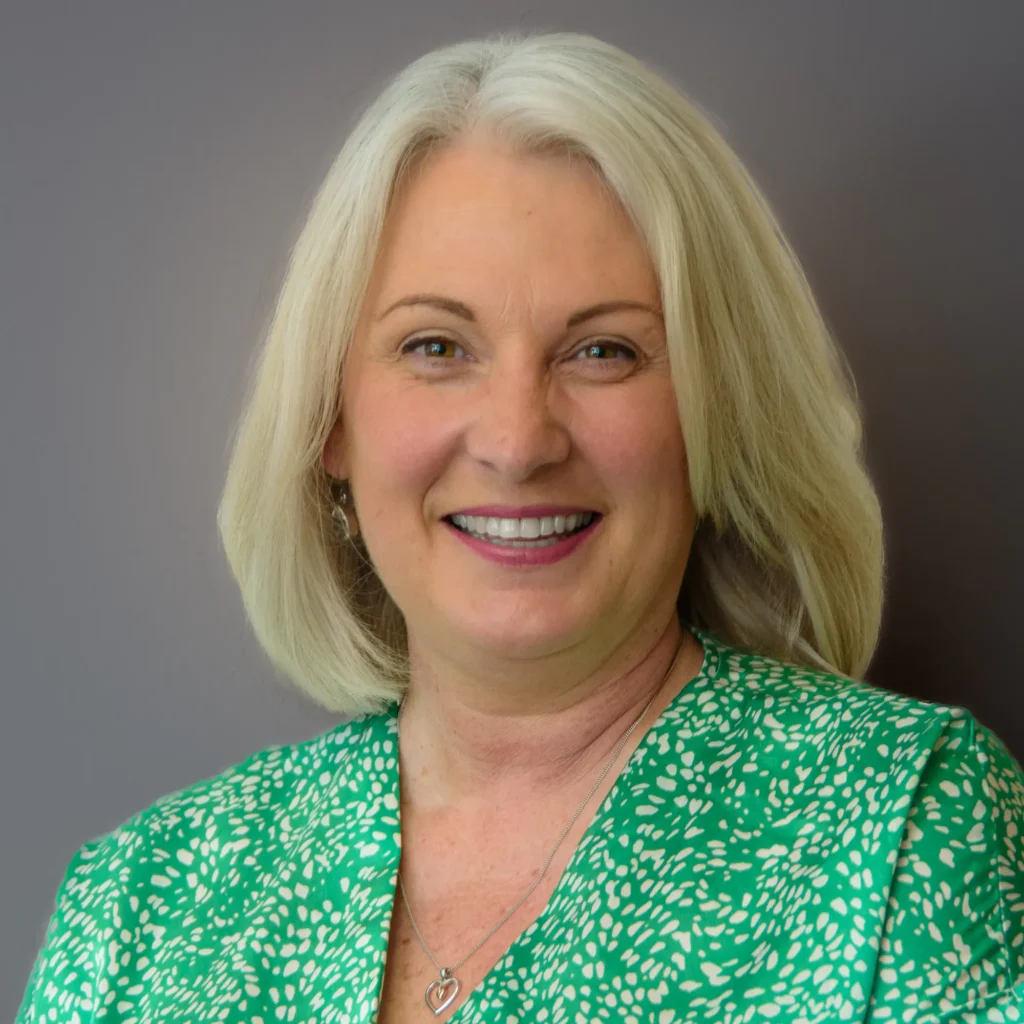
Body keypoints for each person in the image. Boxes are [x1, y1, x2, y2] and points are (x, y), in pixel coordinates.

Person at [16, 29, 1024, 1024]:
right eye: (434, 344)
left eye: (602, 351)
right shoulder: (139, 904)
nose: (516, 438)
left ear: (717, 411)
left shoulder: (899, 826)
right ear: (332, 421)